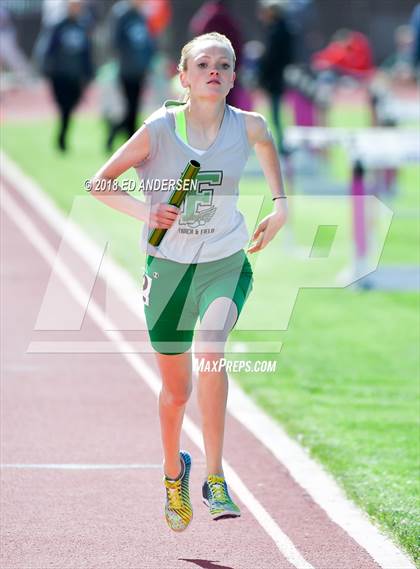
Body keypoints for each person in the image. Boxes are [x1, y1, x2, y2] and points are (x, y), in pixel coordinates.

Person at [89, 32, 288, 532]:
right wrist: (146, 210)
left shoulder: (250, 126)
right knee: (176, 393)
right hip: (169, 269)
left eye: (224, 64)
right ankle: (173, 471)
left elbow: (266, 149)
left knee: (212, 350)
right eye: (203, 64)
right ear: (185, 76)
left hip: (224, 260)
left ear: (234, 77)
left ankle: (216, 478)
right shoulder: (158, 129)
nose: (214, 71)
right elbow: (99, 182)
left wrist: (280, 207)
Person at [39, 0, 93, 151]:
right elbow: (48, 49)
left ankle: (62, 135)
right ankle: (62, 139)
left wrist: (88, 72)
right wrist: (47, 69)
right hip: (60, 74)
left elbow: (86, 53)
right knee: (63, 105)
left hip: (75, 75)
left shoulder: (82, 26)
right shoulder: (58, 26)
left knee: (71, 105)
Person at [106, 0, 155, 151]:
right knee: (131, 107)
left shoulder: (142, 16)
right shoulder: (122, 14)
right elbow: (115, 41)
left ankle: (119, 134)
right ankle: (129, 141)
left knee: (134, 107)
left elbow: (148, 43)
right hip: (127, 69)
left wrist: (148, 63)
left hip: (140, 70)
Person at [258, 0, 294, 154]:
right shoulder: (284, 29)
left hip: (275, 78)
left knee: (276, 114)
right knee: (275, 113)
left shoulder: (277, 31)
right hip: (277, 77)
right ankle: (280, 143)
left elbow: (272, 58)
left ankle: (281, 145)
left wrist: (263, 77)